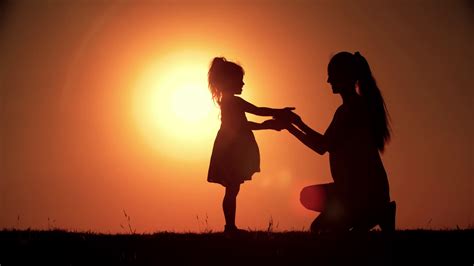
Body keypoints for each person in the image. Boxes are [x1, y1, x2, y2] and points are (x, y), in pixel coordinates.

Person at [278, 51, 396, 233]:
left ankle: (374, 213)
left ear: (344, 77)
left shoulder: (349, 110)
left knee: (317, 223)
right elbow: (325, 143)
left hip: (359, 192)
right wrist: (296, 124)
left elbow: (321, 146)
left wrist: (291, 126)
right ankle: (376, 213)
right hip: (364, 190)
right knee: (313, 206)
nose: (328, 80)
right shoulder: (356, 107)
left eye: (331, 75)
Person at [207, 57, 293, 234]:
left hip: (229, 147)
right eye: (240, 80)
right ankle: (230, 227)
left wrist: (272, 119)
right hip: (231, 149)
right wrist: (274, 119)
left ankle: (230, 226)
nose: (243, 83)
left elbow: (249, 118)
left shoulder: (228, 101)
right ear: (229, 81)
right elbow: (256, 113)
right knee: (232, 188)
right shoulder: (233, 102)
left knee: (232, 188)